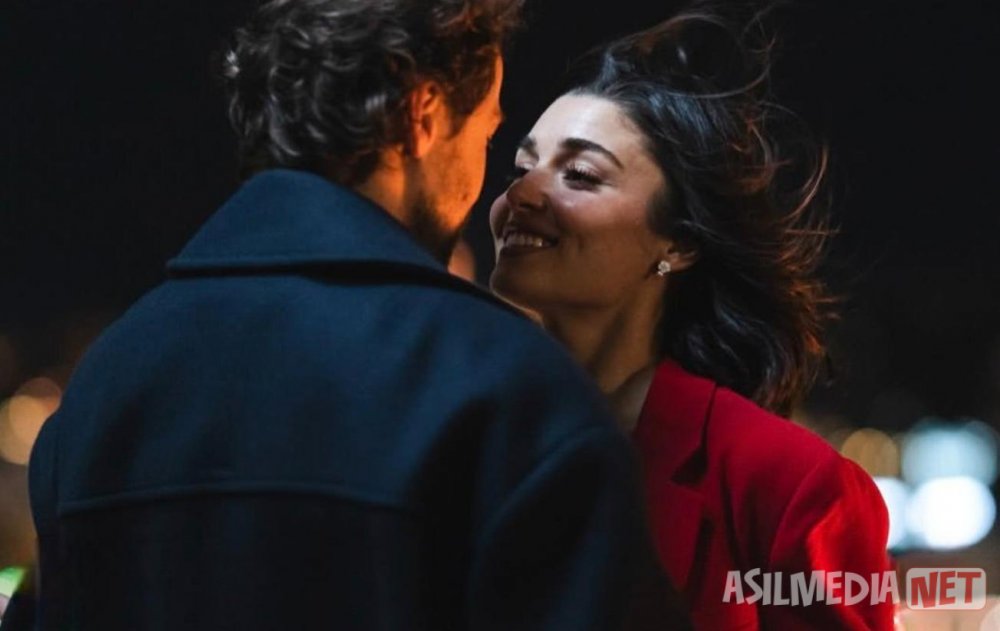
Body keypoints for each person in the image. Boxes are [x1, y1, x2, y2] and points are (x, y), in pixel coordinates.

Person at [21, 1, 666, 629]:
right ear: (421, 114)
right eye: (487, 134)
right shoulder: (510, 393)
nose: (488, 183)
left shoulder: (99, 392)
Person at [489, 9, 895, 630]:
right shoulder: (474, 436)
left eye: (580, 175)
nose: (521, 195)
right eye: (522, 168)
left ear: (677, 242)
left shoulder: (785, 482)